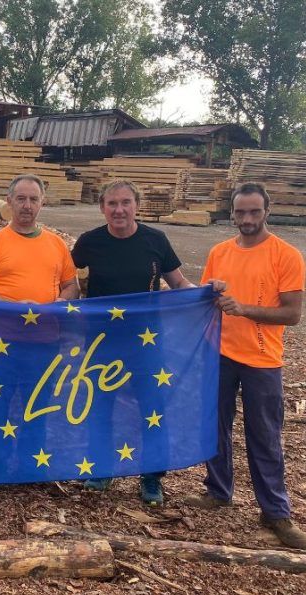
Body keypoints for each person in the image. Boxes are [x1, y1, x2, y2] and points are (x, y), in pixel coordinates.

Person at [185, 182, 306, 549]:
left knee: (265, 436)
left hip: (262, 360)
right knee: (215, 427)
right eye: (241, 212)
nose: (247, 219)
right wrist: (211, 290)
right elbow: (209, 296)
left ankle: (275, 512)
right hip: (219, 355)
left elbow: (293, 314)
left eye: (254, 212)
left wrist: (244, 309)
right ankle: (218, 492)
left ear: (267, 212)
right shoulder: (220, 251)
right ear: (232, 212)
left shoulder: (285, 255)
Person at [71, 179, 196, 506]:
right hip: (101, 344)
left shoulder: (156, 240)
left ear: (136, 206)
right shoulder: (89, 242)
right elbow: (66, 280)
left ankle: (152, 478)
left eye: (125, 202)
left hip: (146, 343)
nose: (119, 209)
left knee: (152, 410)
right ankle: (100, 469)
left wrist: (206, 294)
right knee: (100, 409)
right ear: (102, 208)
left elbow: (178, 281)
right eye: (112, 204)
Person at [0, 174, 78, 303]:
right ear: (9, 201)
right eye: (21, 199)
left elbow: (72, 286)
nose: (27, 206)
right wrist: (14, 307)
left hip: (46, 321)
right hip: (3, 322)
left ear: (42, 203)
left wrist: (62, 300)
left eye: (33, 199)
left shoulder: (58, 244)